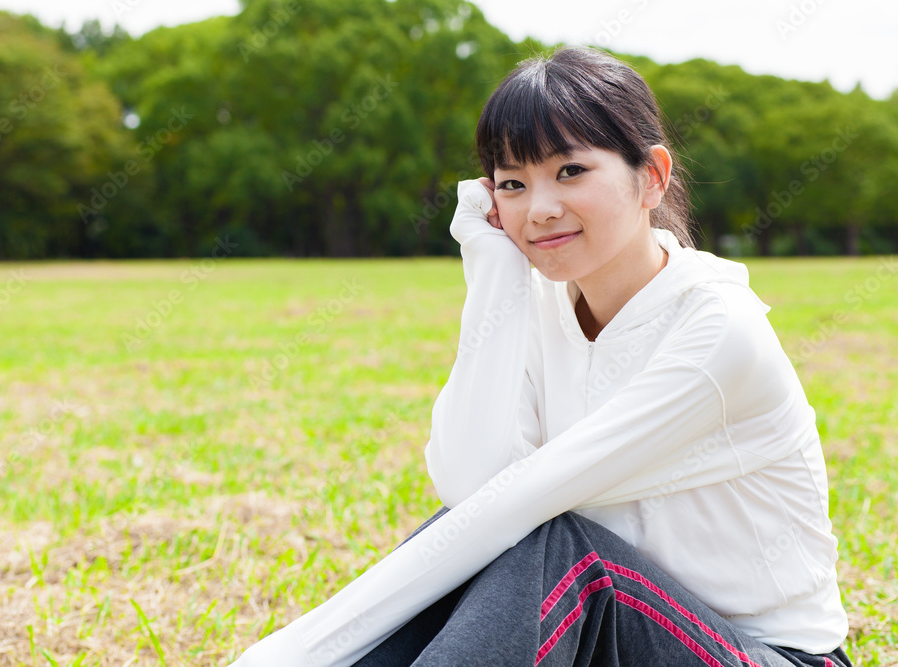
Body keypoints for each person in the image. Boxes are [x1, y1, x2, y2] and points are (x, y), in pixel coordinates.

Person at [229, 46, 853, 667]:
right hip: (613, 638)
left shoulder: (718, 330)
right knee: (519, 538)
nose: (540, 208)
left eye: (571, 171)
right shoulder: (540, 305)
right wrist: (495, 274)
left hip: (766, 655)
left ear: (652, 177)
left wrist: (292, 652)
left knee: (559, 548)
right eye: (512, 184)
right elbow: (470, 487)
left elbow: (512, 507)